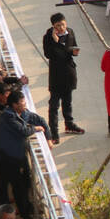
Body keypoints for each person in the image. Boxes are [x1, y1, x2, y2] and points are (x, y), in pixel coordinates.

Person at [0, 92, 47, 219]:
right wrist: (35, 129)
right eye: (22, 103)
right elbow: (23, 131)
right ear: (14, 105)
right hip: (10, 157)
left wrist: (49, 137)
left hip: (18, 155)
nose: (25, 105)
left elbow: (37, 119)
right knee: (18, 186)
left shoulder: (20, 113)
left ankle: (27, 206)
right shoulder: (9, 117)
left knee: (25, 182)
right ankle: (25, 214)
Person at [42, 13, 83, 144]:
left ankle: (69, 124)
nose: (61, 27)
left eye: (63, 24)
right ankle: (53, 133)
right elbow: (49, 54)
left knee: (68, 102)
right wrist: (56, 41)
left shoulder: (70, 32)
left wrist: (73, 52)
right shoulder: (48, 37)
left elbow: (71, 48)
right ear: (53, 26)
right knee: (54, 106)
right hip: (56, 75)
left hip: (69, 73)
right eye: (58, 25)